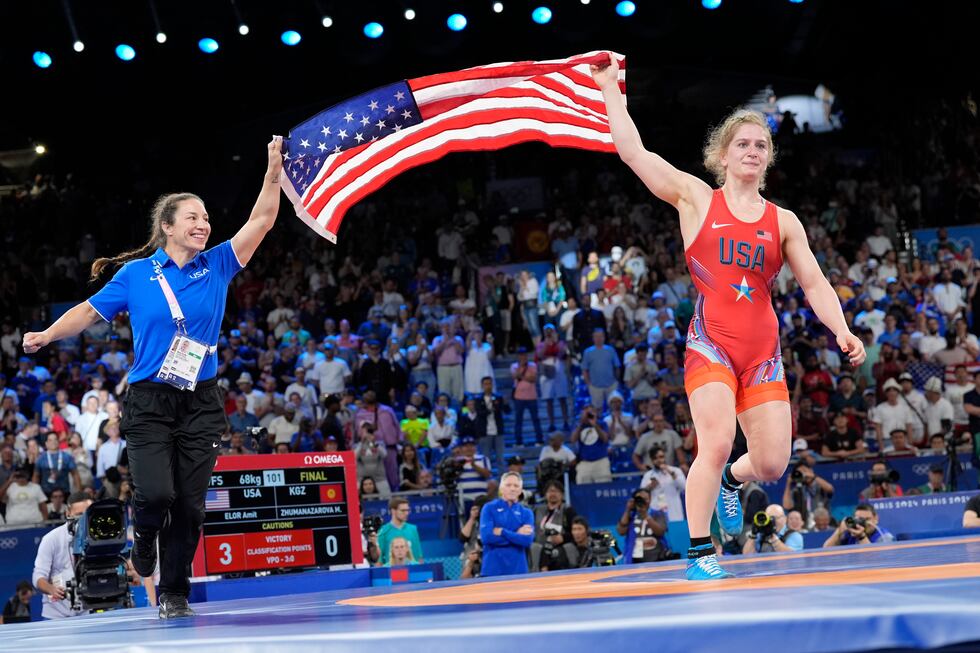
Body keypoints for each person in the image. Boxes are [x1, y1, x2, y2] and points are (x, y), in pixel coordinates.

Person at [593, 53, 865, 579]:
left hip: (762, 352)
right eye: (742, 143)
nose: (752, 151)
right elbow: (633, 153)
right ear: (722, 154)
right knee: (715, 441)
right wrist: (609, 89)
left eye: (761, 145)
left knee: (771, 464)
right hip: (712, 344)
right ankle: (699, 554)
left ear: (769, 158)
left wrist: (842, 329)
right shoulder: (695, 198)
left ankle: (733, 484)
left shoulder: (783, 221)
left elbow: (814, 282)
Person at [23, 139, 284, 617]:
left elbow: (262, 220)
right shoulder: (136, 274)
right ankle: (142, 538)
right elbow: (87, 311)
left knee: (190, 507)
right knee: (157, 495)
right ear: (167, 227)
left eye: (206, 218)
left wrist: (272, 170)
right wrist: (48, 334)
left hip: (201, 400)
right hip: (149, 400)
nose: (204, 224)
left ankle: (174, 592)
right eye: (193, 217)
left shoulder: (219, 263)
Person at [33, 491, 92, 619]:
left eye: (87, 515)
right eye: (78, 515)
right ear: (68, 513)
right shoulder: (51, 539)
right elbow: (38, 577)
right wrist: (51, 589)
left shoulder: (97, 538)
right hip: (56, 615)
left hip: (90, 612)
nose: (82, 520)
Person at [479, 472, 534, 577]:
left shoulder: (526, 513)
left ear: (520, 490)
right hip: (492, 570)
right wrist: (516, 533)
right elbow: (487, 538)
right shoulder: (489, 508)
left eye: (516, 486)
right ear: (501, 488)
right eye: (508, 485)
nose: (512, 489)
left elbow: (527, 540)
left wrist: (502, 532)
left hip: (518, 571)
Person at [615, 488, 671, 564]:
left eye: (645, 499)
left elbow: (660, 532)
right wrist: (628, 510)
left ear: (650, 499)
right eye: (639, 499)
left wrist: (645, 515)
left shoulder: (658, 514)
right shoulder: (630, 515)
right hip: (634, 560)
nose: (642, 501)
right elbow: (621, 531)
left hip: (657, 558)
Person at [638, 446, 687, 522]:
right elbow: (641, 494)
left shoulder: (675, 471)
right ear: (651, 460)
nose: (659, 460)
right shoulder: (648, 475)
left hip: (674, 513)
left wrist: (671, 473)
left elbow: (684, 487)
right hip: (656, 513)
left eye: (661, 457)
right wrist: (650, 487)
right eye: (655, 458)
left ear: (664, 457)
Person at [570, 406, 612, 484]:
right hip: (585, 462)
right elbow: (573, 440)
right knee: (583, 488)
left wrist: (595, 424)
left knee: (604, 486)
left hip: (601, 461)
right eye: (586, 412)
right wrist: (581, 423)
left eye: (591, 412)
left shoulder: (602, 424)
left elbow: (605, 439)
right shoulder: (578, 425)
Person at [376, 498, 424, 566]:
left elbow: (419, 556)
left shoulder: (413, 529)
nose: (406, 513)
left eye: (407, 510)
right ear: (393, 511)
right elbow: (379, 560)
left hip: (411, 573)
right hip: (391, 574)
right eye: (403, 510)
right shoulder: (383, 531)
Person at [822, 503, 894, 547]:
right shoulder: (851, 533)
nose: (863, 523)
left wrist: (861, 537)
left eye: (867, 519)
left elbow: (874, 561)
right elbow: (826, 550)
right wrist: (839, 531)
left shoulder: (885, 537)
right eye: (859, 519)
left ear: (876, 519)